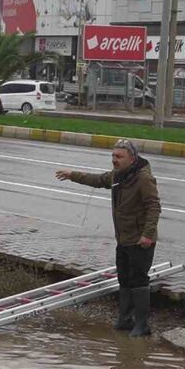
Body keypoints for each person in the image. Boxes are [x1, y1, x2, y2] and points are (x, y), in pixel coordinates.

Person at [55, 139, 161, 337]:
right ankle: (125, 319)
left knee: (139, 280)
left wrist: (147, 235)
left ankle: (142, 324)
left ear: (132, 158)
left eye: (119, 157)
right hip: (123, 238)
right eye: (113, 156)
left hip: (140, 240)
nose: (114, 160)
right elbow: (98, 180)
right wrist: (72, 175)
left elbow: (153, 207)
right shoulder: (119, 176)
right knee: (124, 278)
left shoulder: (143, 178)